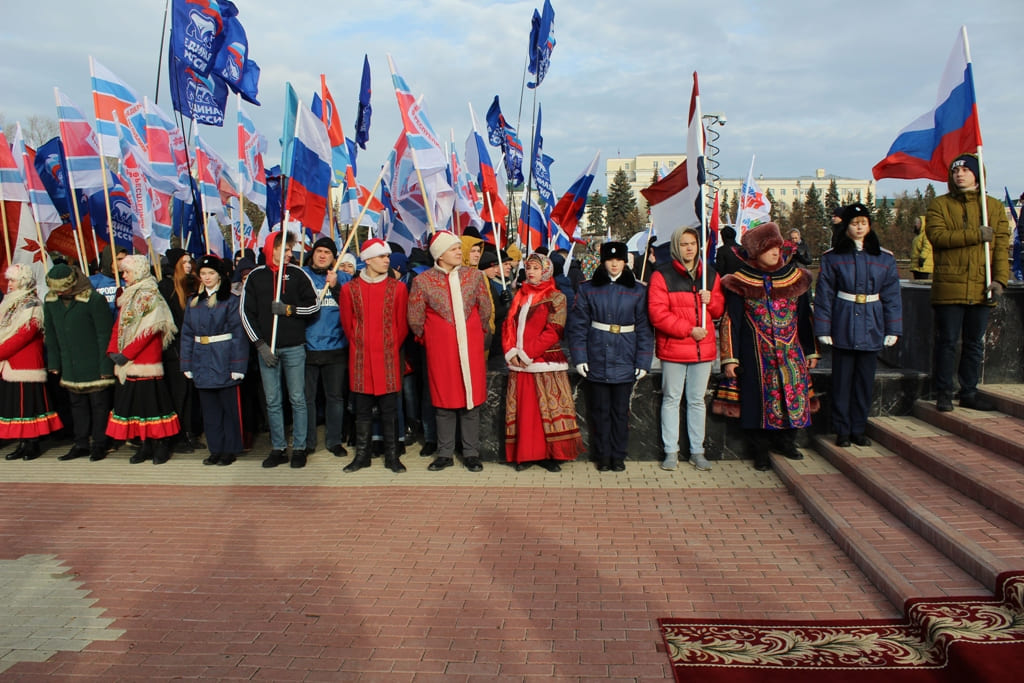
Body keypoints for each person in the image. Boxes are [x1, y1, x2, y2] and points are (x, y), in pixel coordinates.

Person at [719, 222, 820, 471]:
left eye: (778, 247)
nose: (776, 252)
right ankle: (760, 451)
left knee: (791, 396)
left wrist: (811, 349)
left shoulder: (795, 278)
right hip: (755, 355)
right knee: (758, 402)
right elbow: (731, 320)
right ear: (756, 252)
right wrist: (730, 358)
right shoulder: (741, 281)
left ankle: (787, 442)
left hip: (790, 352)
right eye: (769, 248)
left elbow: (805, 317)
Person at [926, 153, 1010, 412]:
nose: (959, 174)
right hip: (950, 287)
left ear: (977, 174)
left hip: (981, 286)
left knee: (974, 344)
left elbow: (1001, 248)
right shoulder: (940, 205)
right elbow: (938, 237)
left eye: (964, 170)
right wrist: (976, 235)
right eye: (955, 171)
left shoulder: (993, 207)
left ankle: (969, 392)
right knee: (948, 342)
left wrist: (999, 281)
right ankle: (943, 391)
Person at [814, 203, 902, 447]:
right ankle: (842, 429)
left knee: (864, 381)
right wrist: (823, 328)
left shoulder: (883, 258)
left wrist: (893, 328)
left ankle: (858, 428)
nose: (859, 226)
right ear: (847, 227)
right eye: (854, 223)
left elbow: (892, 295)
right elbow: (824, 295)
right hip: (843, 321)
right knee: (842, 381)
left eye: (863, 222)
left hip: (872, 322)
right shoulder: (833, 258)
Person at [407, 231, 492, 472]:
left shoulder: (474, 277)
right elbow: (415, 318)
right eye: (453, 248)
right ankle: (444, 453)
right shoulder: (422, 281)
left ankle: (471, 453)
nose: (459, 252)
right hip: (440, 352)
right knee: (443, 401)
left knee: (470, 400)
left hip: (471, 347)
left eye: (458, 248)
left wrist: (475, 333)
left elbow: (485, 309)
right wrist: (434, 338)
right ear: (439, 255)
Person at [568, 241, 654, 472]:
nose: (614, 264)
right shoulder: (587, 289)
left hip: (625, 355)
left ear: (625, 261)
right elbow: (578, 326)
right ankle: (603, 456)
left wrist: (643, 361)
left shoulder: (638, 290)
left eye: (619, 259)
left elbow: (645, 329)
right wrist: (580, 357)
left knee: (620, 412)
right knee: (600, 412)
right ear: (603, 261)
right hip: (597, 355)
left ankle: (618, 456)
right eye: (609, 259)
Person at [648, 226, 726, 471]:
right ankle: (671, 450)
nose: (689, 248)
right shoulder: (662, 276)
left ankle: (697, 450)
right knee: (671, 399)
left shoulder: (710, 275)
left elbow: (719, 310)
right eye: (683, 244)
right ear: (675, 247)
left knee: (696, 401)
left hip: (703, 349)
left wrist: (710, 300)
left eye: (692, 243)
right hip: (675, 347)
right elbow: (658, 314)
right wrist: (688, 330)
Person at [240, 231, 320, 468]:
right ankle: (278, 447)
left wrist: (288, 310)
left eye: (290, 250)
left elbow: (314, 306)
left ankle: (300, 447)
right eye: (284, 250)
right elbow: (245, 314)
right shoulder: (256, 276)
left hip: (294, 347)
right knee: (273, 400)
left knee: (298, 398)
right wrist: (260, 344)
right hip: (268, 349)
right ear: (271, 249)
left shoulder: (297, 274)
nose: (289, 254)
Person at [501, 252, 584, 472]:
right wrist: (511, 352)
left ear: (545, 270)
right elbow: (508, 324)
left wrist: (527, 354)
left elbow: (553, 331)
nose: (531, 272)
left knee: (546, 411)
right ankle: (526, 454)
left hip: (543, 361)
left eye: (536, 268)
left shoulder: (556, 296)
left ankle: (549, 455)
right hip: (519, 363)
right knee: (525, 411)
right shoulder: (519, 294)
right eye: (528, 268)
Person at [339, 239, 409, 473]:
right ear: (367, 259)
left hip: (388, 358)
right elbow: (347, 324)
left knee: (390, 410)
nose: (386, 260)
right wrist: (361, 344)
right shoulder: (350, 289)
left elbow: (402, 325)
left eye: (387, 256)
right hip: (360, 359)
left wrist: (387, 346)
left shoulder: (398, 288)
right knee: (362, 411)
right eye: (381, 256)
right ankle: (362, 455)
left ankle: (392, 456)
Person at [106, 255, 181, 465]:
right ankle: (145, 444)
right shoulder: (128, 296)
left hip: (145, 359)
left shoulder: (150, 295)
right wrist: (113, 350)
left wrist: (127, 354)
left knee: (153, 406)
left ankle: (161, 444)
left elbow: (150, 330)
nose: (123, 276)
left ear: (137, 272)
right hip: (128, 361)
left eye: (126, 272)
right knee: (137, 407)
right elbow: (119, 325)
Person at [179, 255, 249, 466]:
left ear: (219, 275)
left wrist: (238, 365)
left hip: (224, 358)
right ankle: (215, 449)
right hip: (201, 359)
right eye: (203, 274)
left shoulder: (230, 300)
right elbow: (187, 334)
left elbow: (238, 334)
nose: (206, 277)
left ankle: (230, 449)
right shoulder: (194, 301)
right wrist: (186, 363)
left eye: (210, 273)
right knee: (209, 411)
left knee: (229, 409)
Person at [43, 263, 115, 462]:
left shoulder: (93, 300)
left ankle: (100, 443)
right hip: (70, 364)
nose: (59, 293)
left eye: (62, 289)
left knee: (99, 404)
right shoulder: (50, 301)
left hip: (93, 362)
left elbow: (104, 335)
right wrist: (55, 363)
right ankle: (81, 442)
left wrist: (105, 366)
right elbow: (51, 334)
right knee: (77, 405)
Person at [0, 264, 63, 461]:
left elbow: (25, 334)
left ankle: (32, 443)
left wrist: (1, 351)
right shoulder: (9, 302)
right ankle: (22, 443)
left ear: (23, 281)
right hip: (9, 362)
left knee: (28, 404)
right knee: (15, 405)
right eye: (8, 280)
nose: (9, 284)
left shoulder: (31, 303)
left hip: (24, 362)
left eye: (13, 280)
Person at [303, 236, 352, 458]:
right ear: (313, 253)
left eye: (328, 253)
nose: (322, 255)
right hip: (307, 348)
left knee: (335, 397)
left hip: (335, 347)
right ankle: (308, 441)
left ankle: (334, 441)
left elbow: (352, 307)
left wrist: (336, 288)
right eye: (319, 251)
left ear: (334, 258)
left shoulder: (343, 277)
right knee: (307, 399)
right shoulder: (301, 276)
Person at [158, 247, 201, 452]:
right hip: (175, 351)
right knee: (179, 394)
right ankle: (177, 435)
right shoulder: (166, 287)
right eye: (183, 262)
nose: (188, 265)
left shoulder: (192, 285)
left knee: (190, 393)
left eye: (189, 261)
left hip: (194, 348)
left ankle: (190, 432)